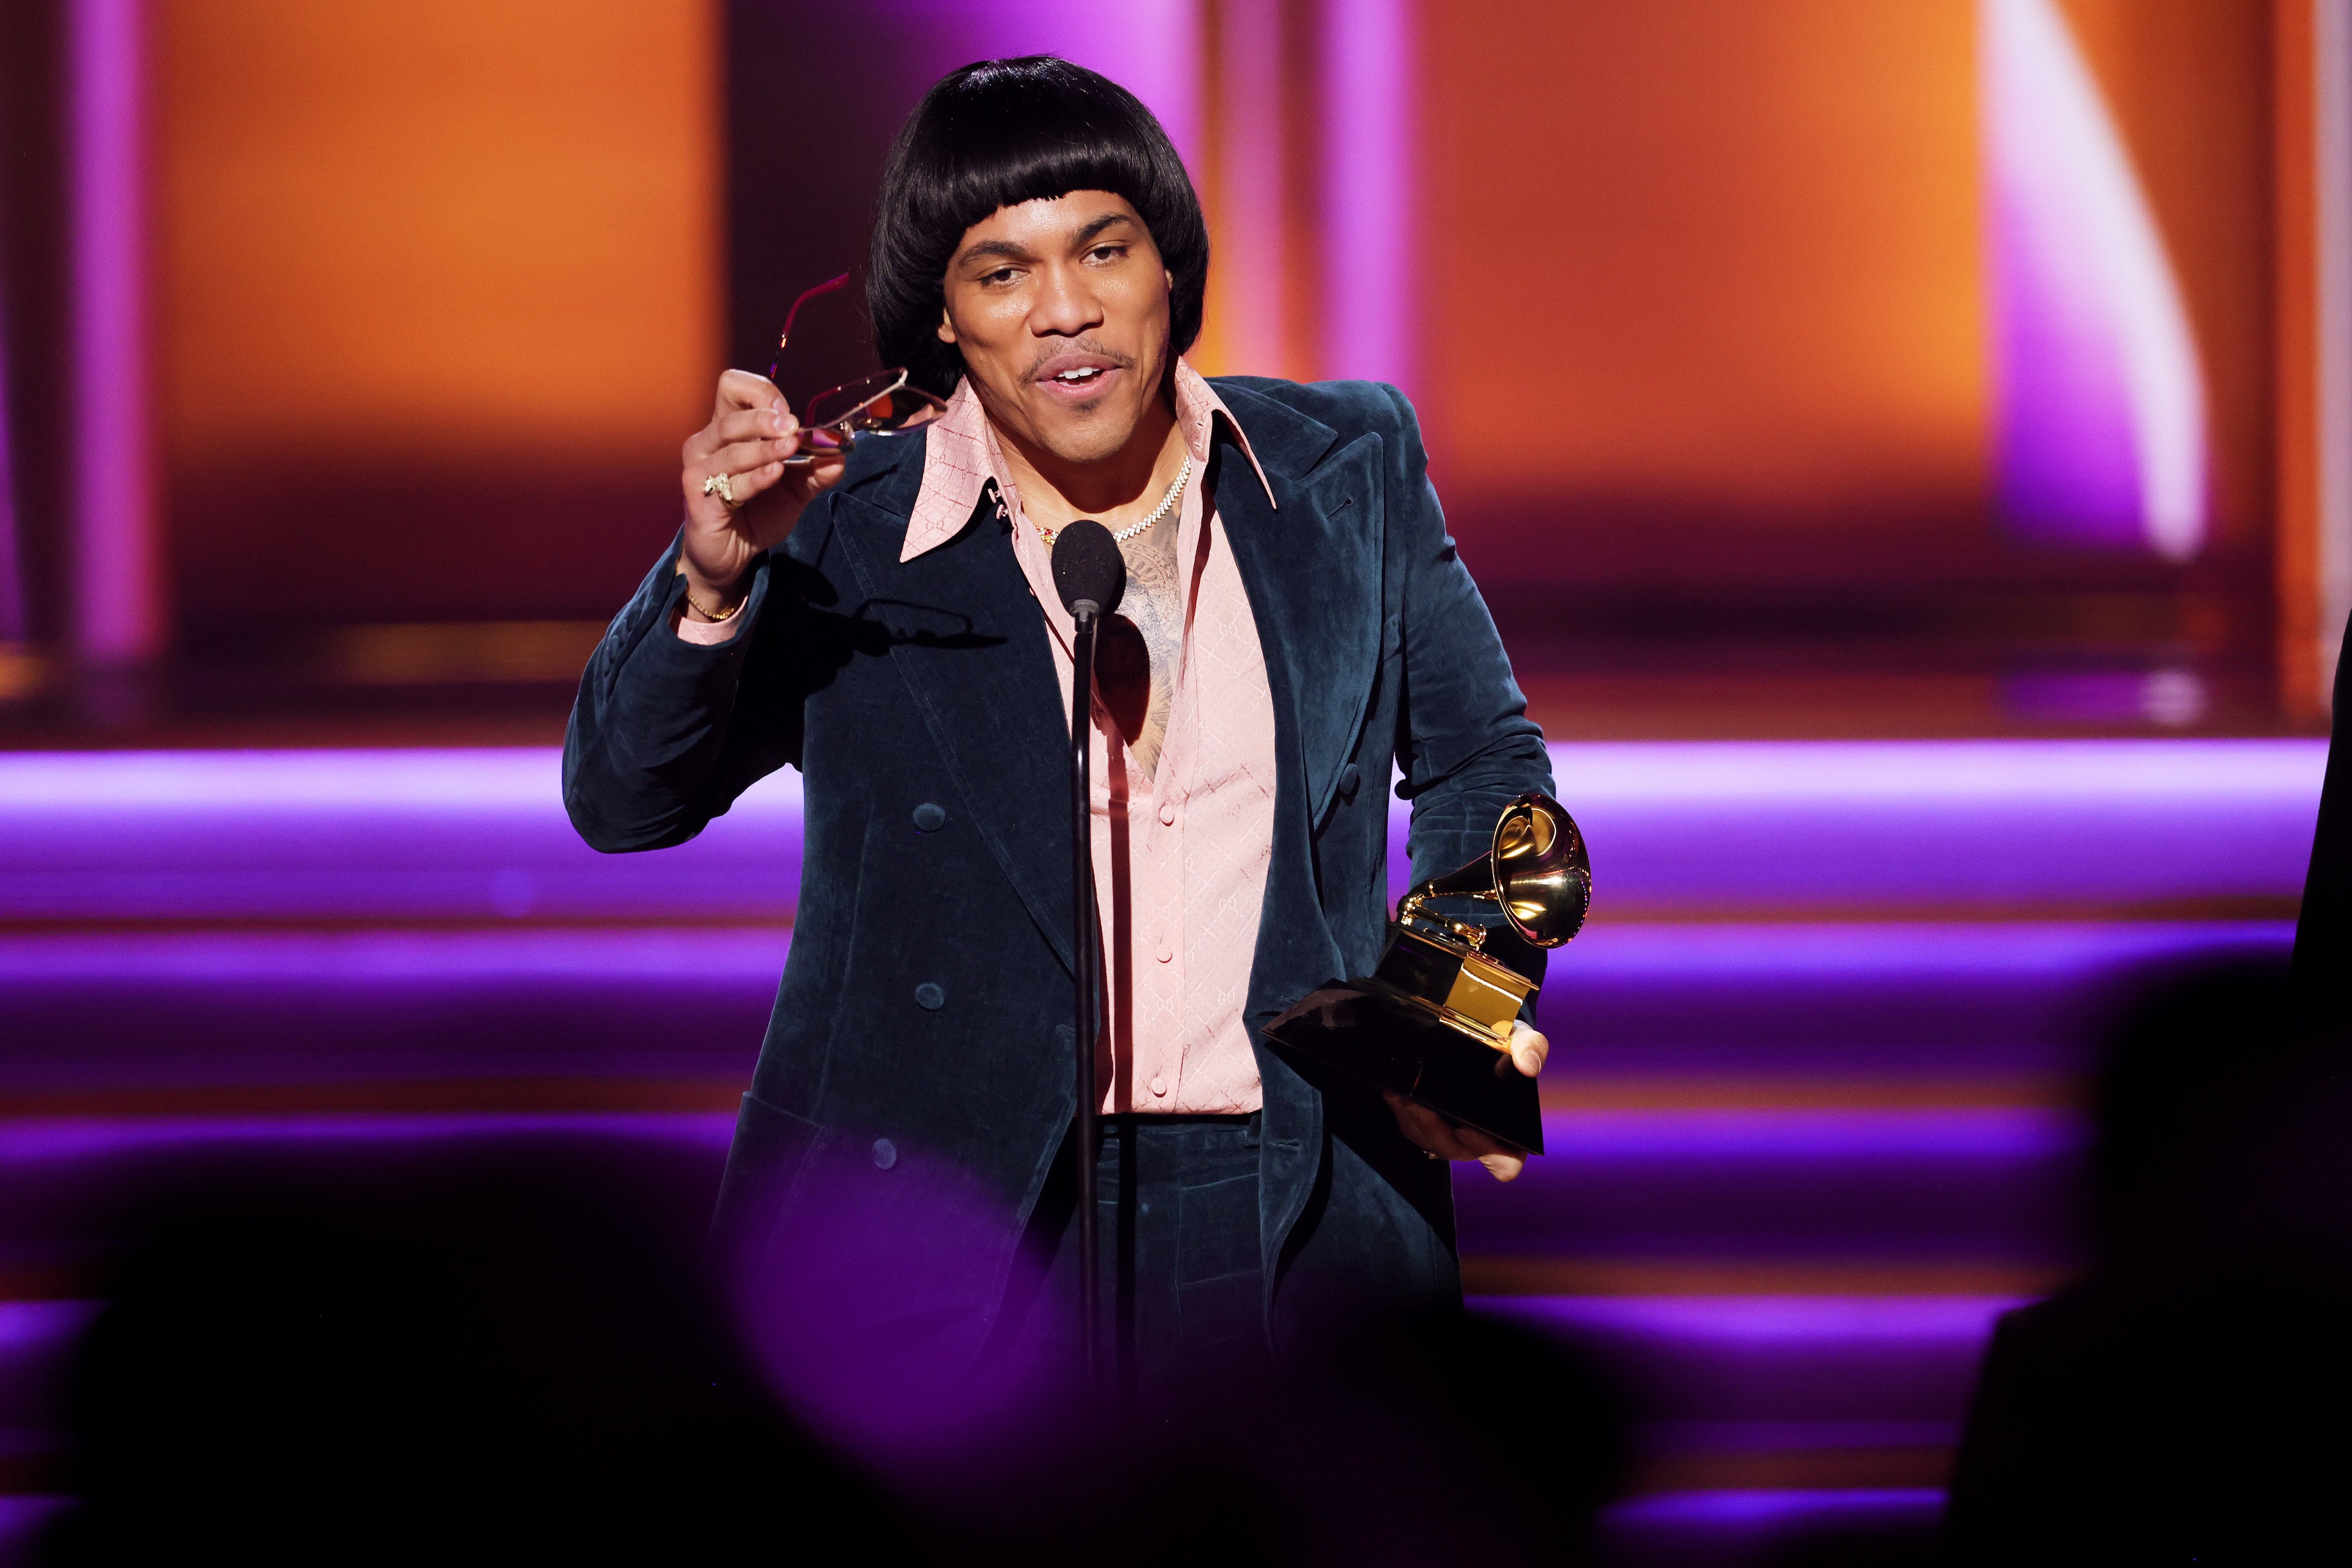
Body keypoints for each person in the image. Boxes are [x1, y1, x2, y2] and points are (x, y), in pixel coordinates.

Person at [564, 56, 1554, 1412]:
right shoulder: (844, 521)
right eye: (1003, 272)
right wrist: (711, 584)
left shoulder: (1345, 470)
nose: (1066, 310)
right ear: (944, 317)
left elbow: (1486, 766)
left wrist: (1459, 1003)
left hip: (1298, 1200)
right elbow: (626, 801)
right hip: (942, 1219)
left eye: (1103, 248)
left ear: (1168, 268)